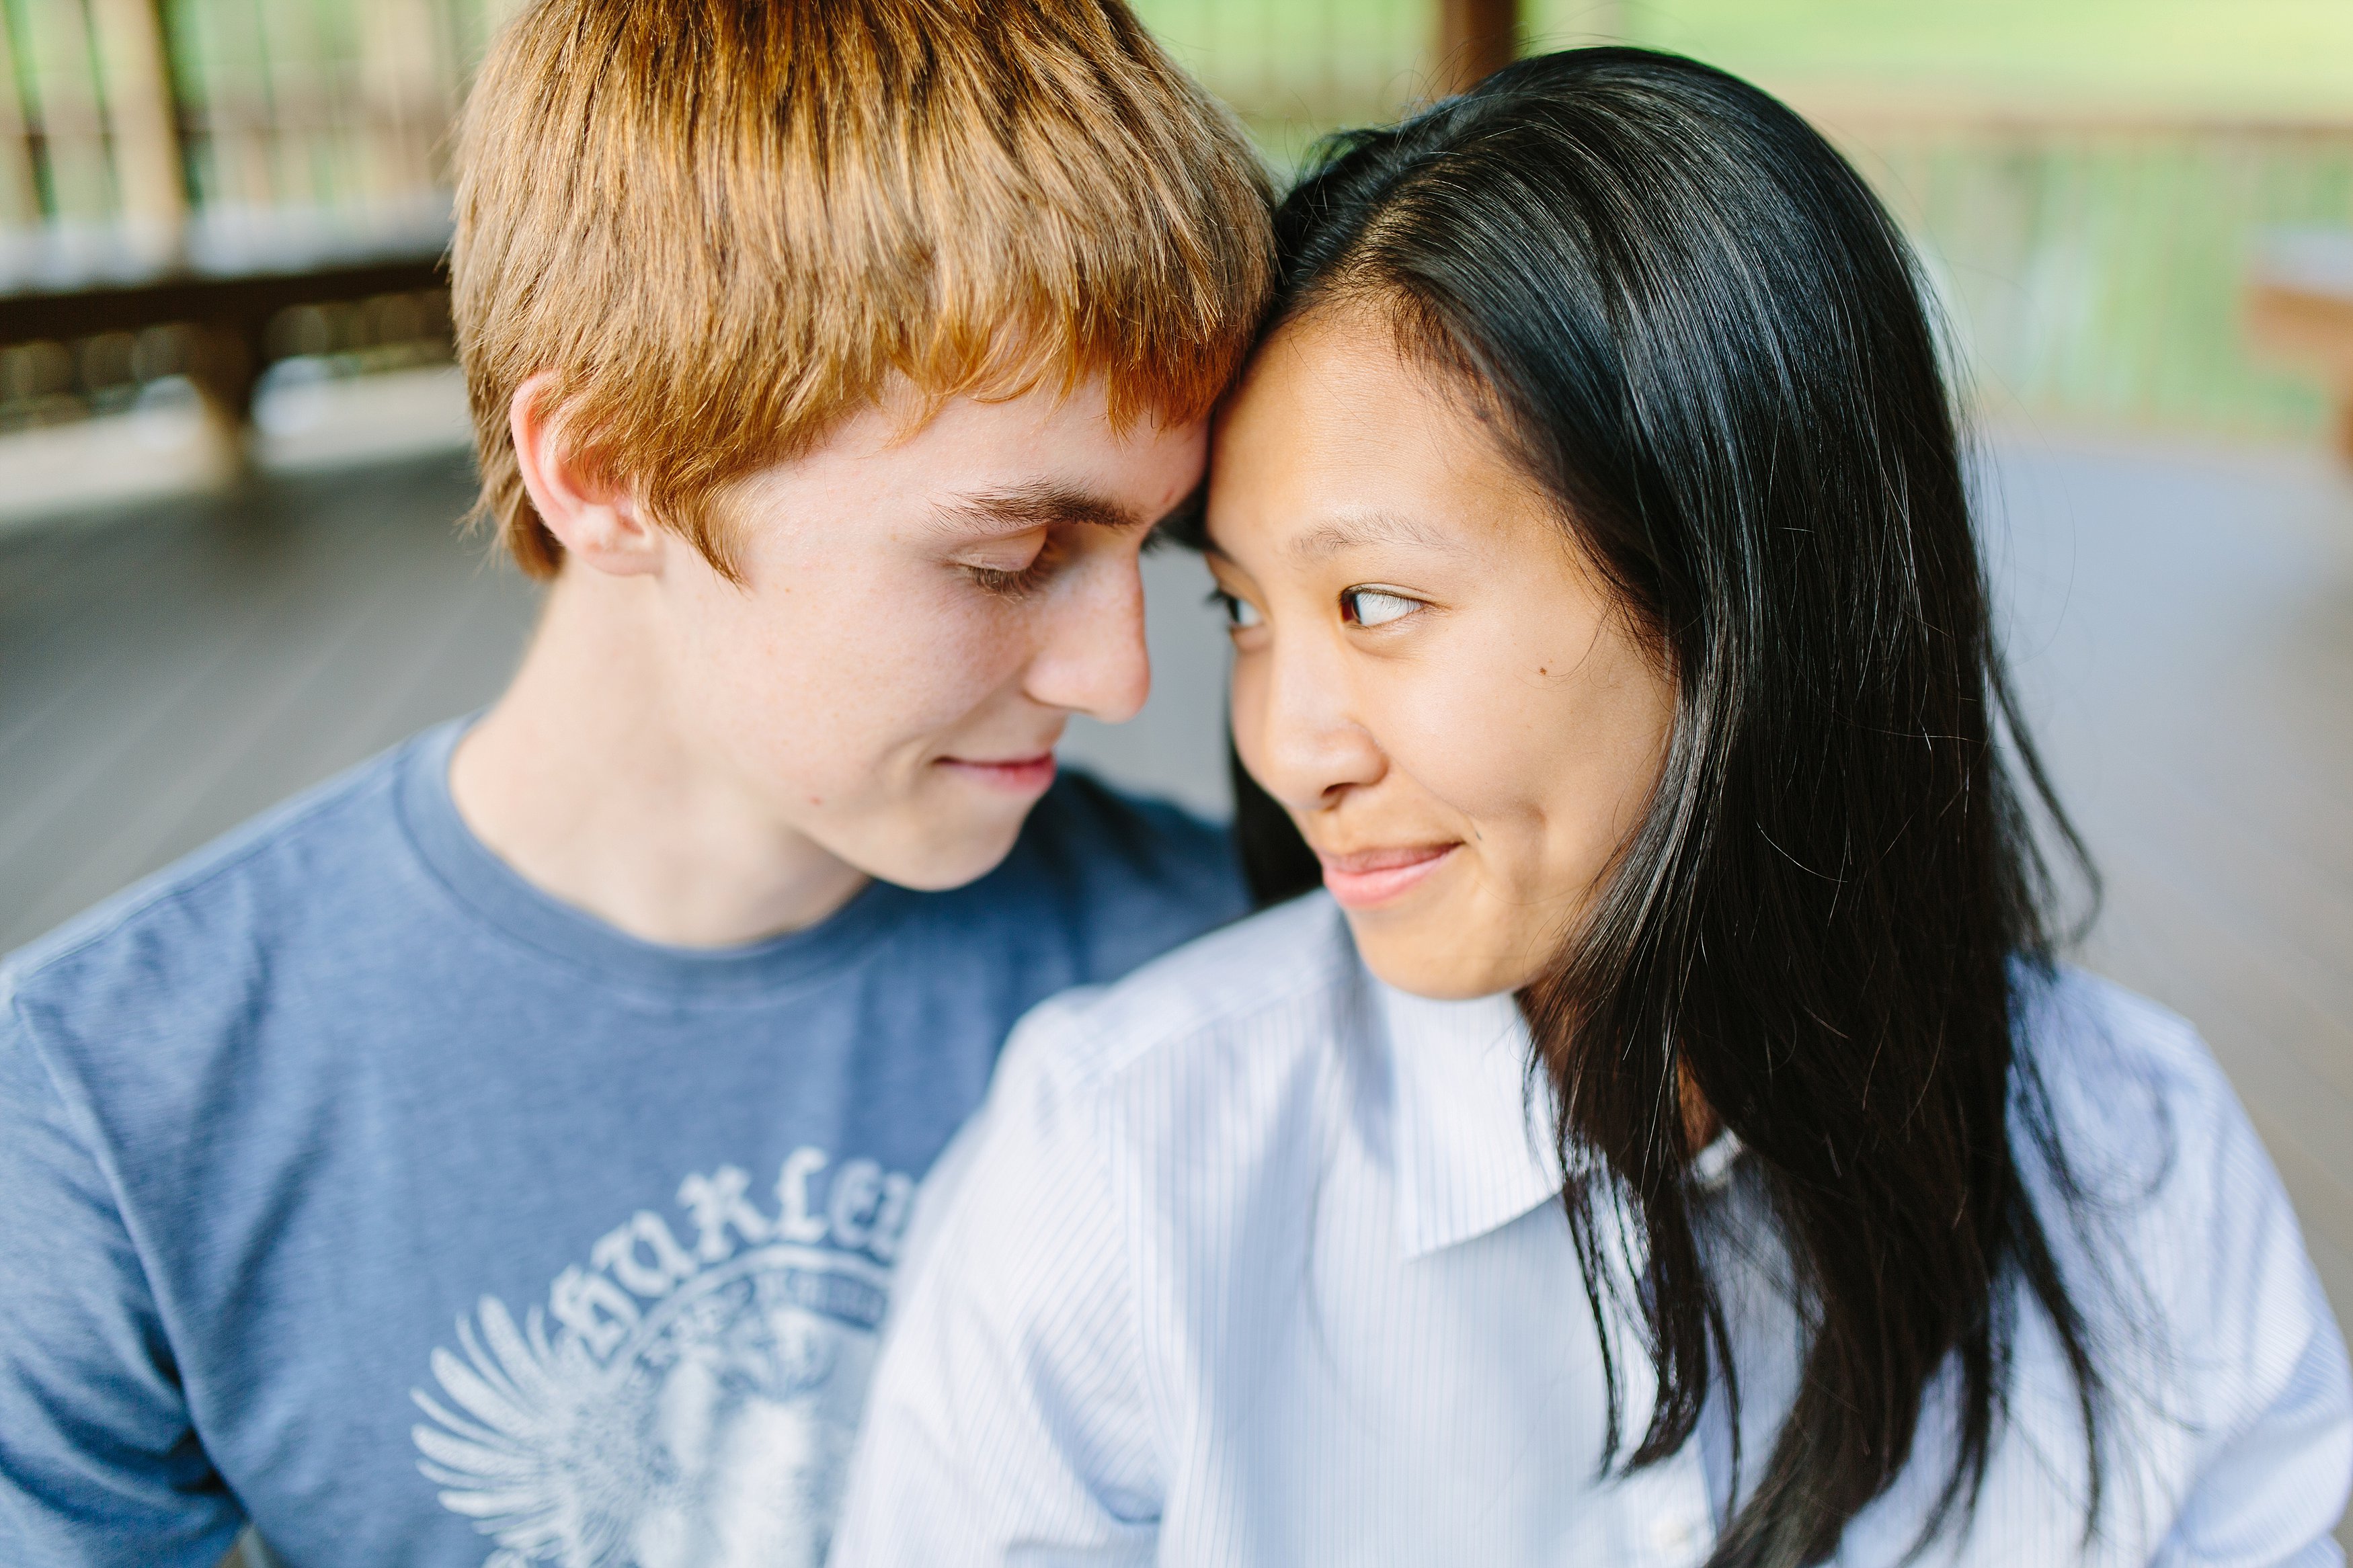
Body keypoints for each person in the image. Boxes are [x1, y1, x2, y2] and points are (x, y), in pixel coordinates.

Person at [834, 48, 2353, 1567]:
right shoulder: (1123, 1177)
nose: (1289, 746)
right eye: (1244, 610)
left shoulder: (2136, 1154)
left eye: (1374, 600)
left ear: (1735, 595)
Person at [0, 3, 1273, 1564]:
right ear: (606, 472)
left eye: (1151, 552)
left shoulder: (1231, 974)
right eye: (1010, 557)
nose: (1121, 676)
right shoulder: (109, 1106)